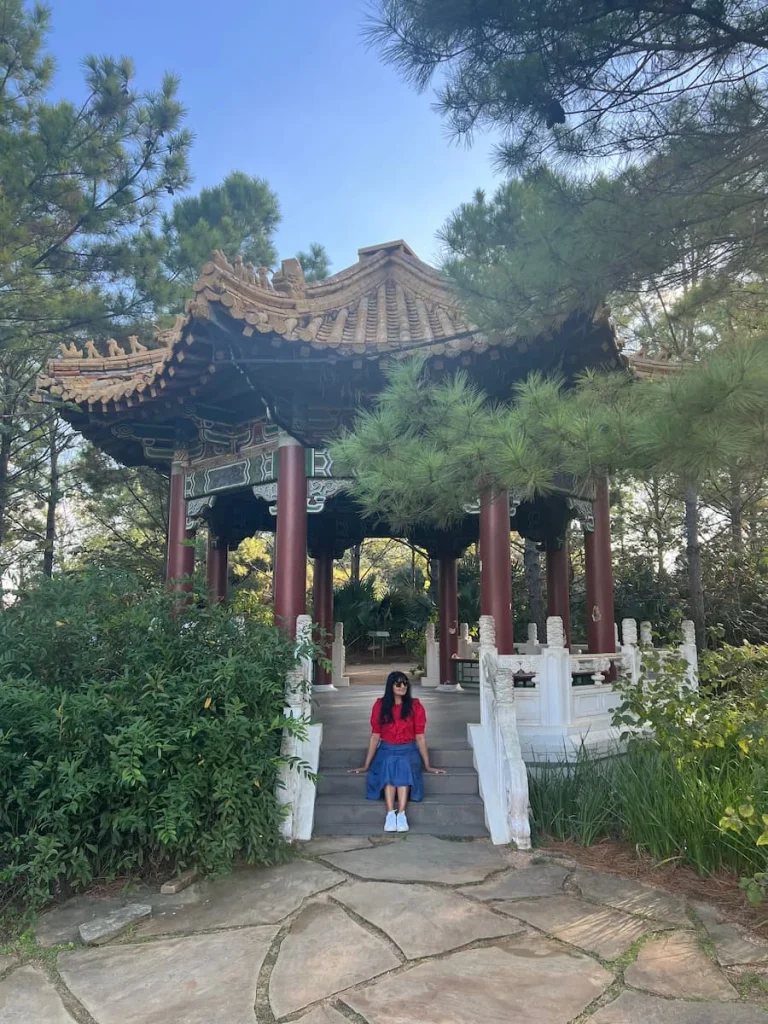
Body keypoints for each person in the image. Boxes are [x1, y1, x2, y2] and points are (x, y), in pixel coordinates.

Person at [349, 671, 445, 832]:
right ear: (391, 686)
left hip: (408, 749)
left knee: (402, 764)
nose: (402, 687)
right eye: (398, 684)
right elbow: (375, 736)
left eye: (405, 683)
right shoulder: (380, 705)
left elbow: (420, 737)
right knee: (389, 763)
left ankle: (401, 814)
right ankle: (390, 814)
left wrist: (427, 765)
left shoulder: (415, 706)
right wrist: (366, 765)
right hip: (386, 748)